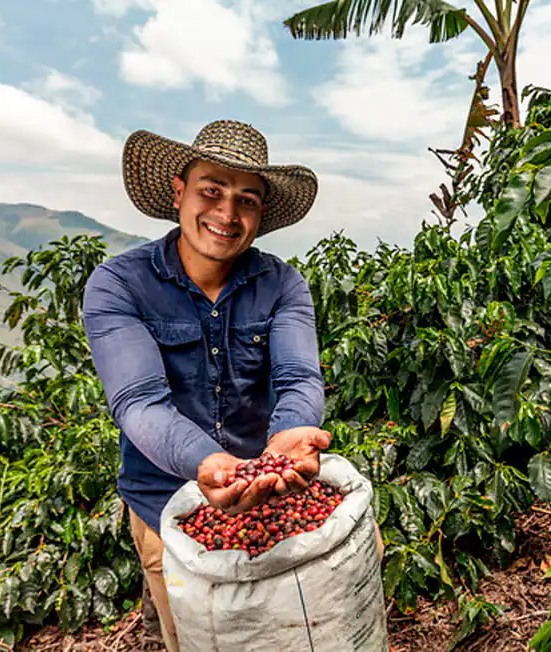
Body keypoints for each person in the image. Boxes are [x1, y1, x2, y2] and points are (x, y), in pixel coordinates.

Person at [82, 120, 332, 652]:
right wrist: (209, 463)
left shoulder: (283, 286)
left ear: (261, 214)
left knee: (292, 631)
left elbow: (298, 377)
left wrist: (287, 443)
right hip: (164, 504)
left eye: (246, 199)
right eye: (211, 191)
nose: (226, 214)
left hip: (273, 498)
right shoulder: (119, 284)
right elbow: (138, 401)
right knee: (196, 637)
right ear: (179, 192)